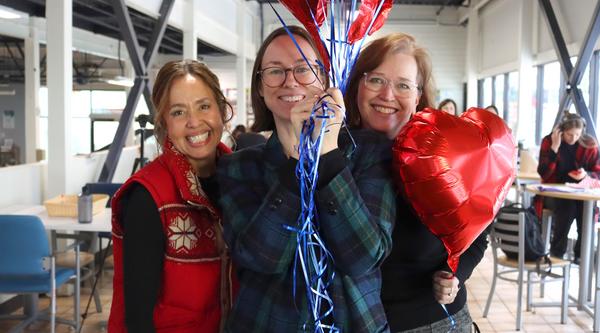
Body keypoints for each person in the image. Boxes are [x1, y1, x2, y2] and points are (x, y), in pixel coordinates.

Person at [217, 26, 396, 332]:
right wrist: (297, 160)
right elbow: (261, 259)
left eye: (303, 68)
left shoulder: (368, 152)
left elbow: (364, 257)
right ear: (259, 87)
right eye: (275, 71)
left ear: (324, 79)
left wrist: (327, 153)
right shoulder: (237, 167)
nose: (290, 80)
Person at [344, 32, 487, 332]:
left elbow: (478, 233)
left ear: (418, 96)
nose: (387, 95)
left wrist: (454, 273)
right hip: (351, 322)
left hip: (431, 322)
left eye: (403, 85)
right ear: (358, 83)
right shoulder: (332, 152)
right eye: (376, 80)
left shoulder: (443, 157)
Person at [108, 60, 236, 333]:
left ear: (221, 110)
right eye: (178, 112)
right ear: (164, 122)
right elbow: (138, 320)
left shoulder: (243, 179)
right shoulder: (148, 196)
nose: (194, 122)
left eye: (204, 106)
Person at [538, 112, 600, 262]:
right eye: (569, 134)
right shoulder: (549, 141)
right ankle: (557, 252)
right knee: (568, 207)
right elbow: (544, 173)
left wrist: (586, 175)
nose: (573, 138)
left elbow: (598, 172)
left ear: (582, 132)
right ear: (561, 131)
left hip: (581, 193)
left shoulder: (589, 144)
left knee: (588, 210)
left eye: (577, 135)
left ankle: (581, 255)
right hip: (554, 193)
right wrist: (554, 148)